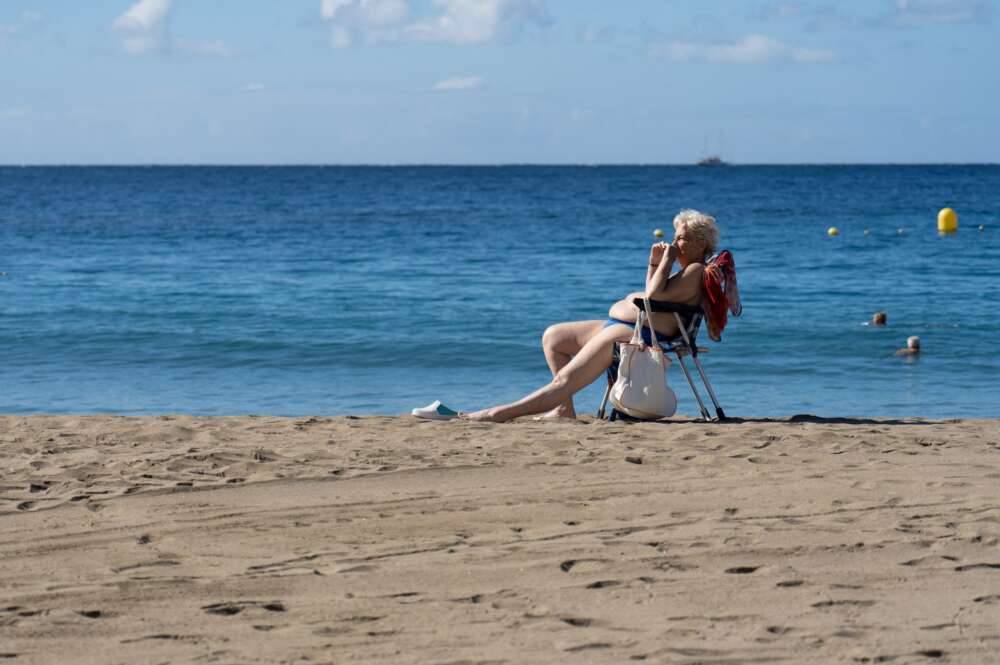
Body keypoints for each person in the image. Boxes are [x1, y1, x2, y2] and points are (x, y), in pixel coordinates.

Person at [463, 210, 719, 423]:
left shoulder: (695, 270)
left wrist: (666, 260)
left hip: (642, 333)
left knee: (565, 380)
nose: (675, 244)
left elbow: (651, 296)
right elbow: (656, 291)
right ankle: (564, 409)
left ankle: (497, 414)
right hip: (630, 324)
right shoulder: (686, 270)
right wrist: (654, 263)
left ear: (699, 243)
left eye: (681, 239)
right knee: (555, 337)